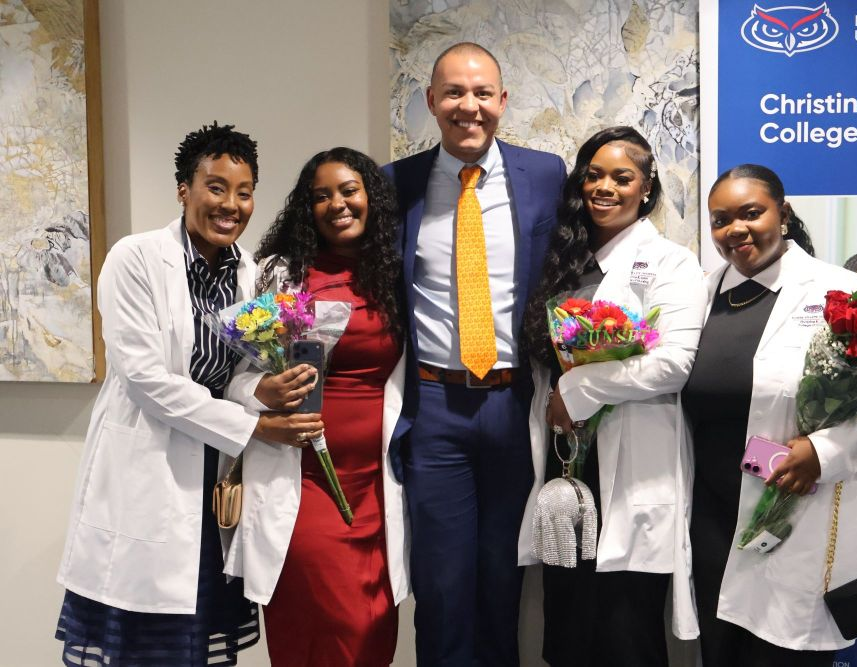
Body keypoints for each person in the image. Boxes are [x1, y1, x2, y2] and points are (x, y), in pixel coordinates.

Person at [54, 122, 324, 666]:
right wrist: (254, 426)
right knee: (142, 648)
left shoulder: (252, 276)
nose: (231, 205)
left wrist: (264, 390)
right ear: (185, 190)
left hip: (215, 480)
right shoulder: (135, 259)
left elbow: (237, 376)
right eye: (215, 187)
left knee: (197, 644)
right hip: (149, 472)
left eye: (244, 192)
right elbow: (147, 379)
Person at [682, 164, 857, 666]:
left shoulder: (844, 292)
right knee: (720, 652)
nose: (736, 230)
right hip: (711, 519)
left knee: (784, 653)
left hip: (798, 510)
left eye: (752, 213)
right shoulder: (700, 297)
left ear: (783, 213)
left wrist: (826, 450)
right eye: (721, 219)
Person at [384, 42, 566, 665]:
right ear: (431, 101)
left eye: (483, 93)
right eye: (455, 93)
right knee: (441, 582)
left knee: (504, 576)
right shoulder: (394, 184)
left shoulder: (545, 174)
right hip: (435, 407)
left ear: (502, 101)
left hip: (516, 404)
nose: (470, 106)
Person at [516, 126, 706, 665]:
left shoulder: (670, 263)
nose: (604, 187)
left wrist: (576, 391)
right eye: (593, 175)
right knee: (568, 628)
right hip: (567, 469)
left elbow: (673, 364)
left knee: (626, 633)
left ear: (645, 188)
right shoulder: (565, 261)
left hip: (629, 467)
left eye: (622, 178)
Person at [223, 147, 409, 666]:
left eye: (348, 190)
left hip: (376, 483)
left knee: (372, 629)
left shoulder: (394, 274)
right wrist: (262, 397)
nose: (337, 204)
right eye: (321, 196)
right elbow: (235, 380)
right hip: (302, 479)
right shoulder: (279, 274)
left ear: (370, 197)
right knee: (323, 619)